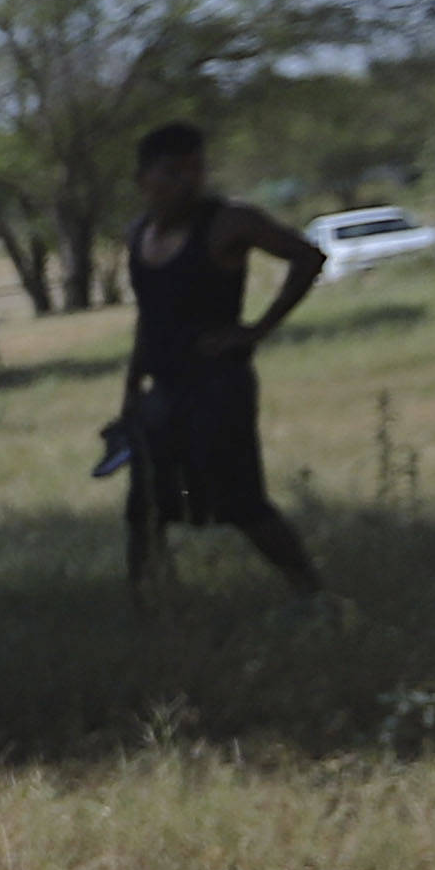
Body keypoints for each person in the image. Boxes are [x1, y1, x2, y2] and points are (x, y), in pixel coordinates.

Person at [99, 124, 325, 602]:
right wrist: (131, 391)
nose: (189, 181)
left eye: (196, 169)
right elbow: (150, 317)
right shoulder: (137, 233)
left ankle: (314, 595)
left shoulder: (229, 222)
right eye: (173, 171)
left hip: (218, 387)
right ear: (144, 178)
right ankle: (149, 607)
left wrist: (257, 329)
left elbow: (308, 257)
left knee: (242, 503)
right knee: (146, 509)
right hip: (161, 391)